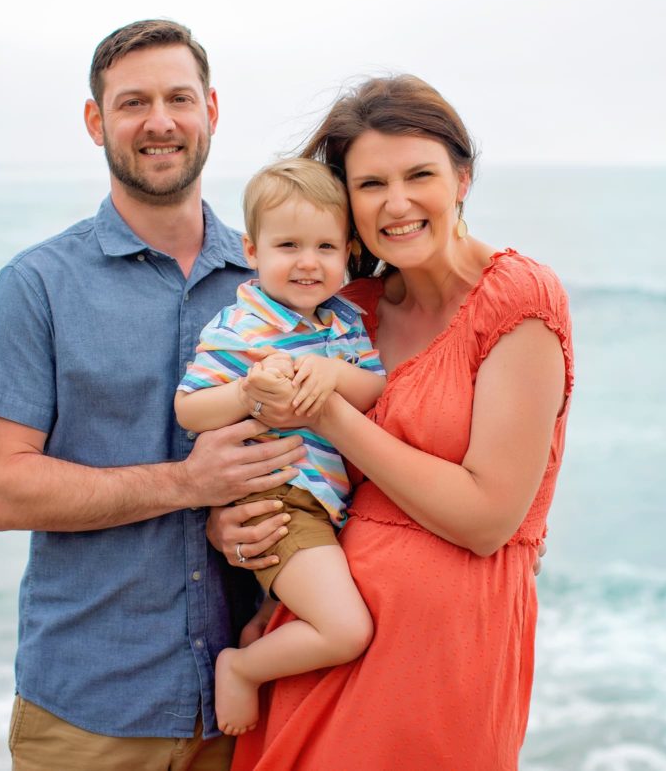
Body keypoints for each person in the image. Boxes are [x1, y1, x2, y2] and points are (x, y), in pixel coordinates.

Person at [0, 19, 301, 771]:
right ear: (96, 121)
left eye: (179, 98)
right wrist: (188, 485)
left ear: (211, 109)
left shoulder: (274, 283)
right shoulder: (37, 286)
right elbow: (2, 490)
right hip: (89, 710)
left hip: (246, 708)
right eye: (132, 102)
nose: (160, 122)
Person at [217, 75, 575, 770]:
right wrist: (230, 528)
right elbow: (274, 447)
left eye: (420, 175)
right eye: (371, 184)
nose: (398, 203)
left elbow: (486, 519)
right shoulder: (344, 308)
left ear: (462, 178)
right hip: (319, 636)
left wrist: (331, 413)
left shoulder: (518, 301)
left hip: (443, 665)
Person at [174, 157, 387, 736]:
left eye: (324, 247)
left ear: (348, 253)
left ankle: (260, 631)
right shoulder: (237, 328)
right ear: (252, 250)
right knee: (345, 630)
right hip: (281, 501)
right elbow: (189, 408)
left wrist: (330, 372)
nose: (307, 262)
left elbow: (375, 392)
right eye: (288, 245)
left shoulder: (345, 325)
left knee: (306, 609)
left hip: (329, 503)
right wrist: (245, 391)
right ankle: (242, 667)